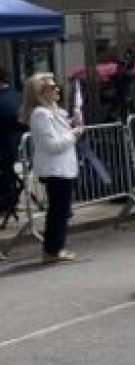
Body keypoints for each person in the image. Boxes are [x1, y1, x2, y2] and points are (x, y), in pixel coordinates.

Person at [22, 73, 82, 264]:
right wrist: (73, 134)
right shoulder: (41, 114)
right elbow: (51, 145)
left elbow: (61, 132)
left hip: (63, 168)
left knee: (62, 209)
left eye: (56, 86)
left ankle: (55, 247)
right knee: (58, 210)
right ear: (40, 93)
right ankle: (52, 249)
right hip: (55, 169)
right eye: (51, 87)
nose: (57, 89)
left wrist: (72, 124)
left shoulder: (55, 111)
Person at [0, 67, 24, 222]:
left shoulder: (2, 100)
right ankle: (10, 199)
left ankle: (6, 201)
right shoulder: (20, 96)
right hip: (21, 148)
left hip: (5, 150)